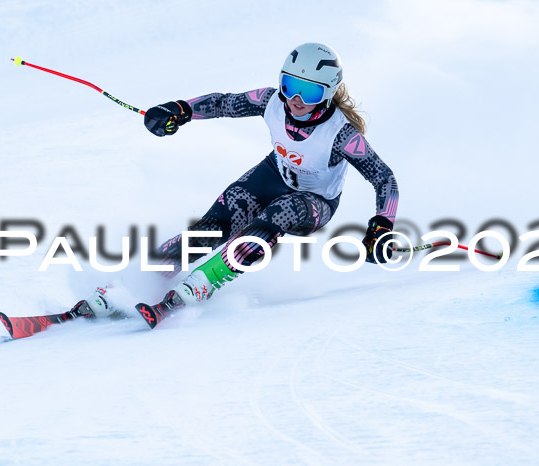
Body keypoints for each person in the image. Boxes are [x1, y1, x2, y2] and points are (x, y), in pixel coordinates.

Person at [75, 42, 399, 319]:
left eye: (310, 91)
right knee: (212, 227)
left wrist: (381, 227)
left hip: (314, 201)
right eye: (290, 86)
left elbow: (384, 179)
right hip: (274, 174)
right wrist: (179, 110)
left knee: (277, 215)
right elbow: (222, 103)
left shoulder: (341, 134)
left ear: (328, 93)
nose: (296, 99)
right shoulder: (270, 100)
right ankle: (136, 281)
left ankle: (207, 280)